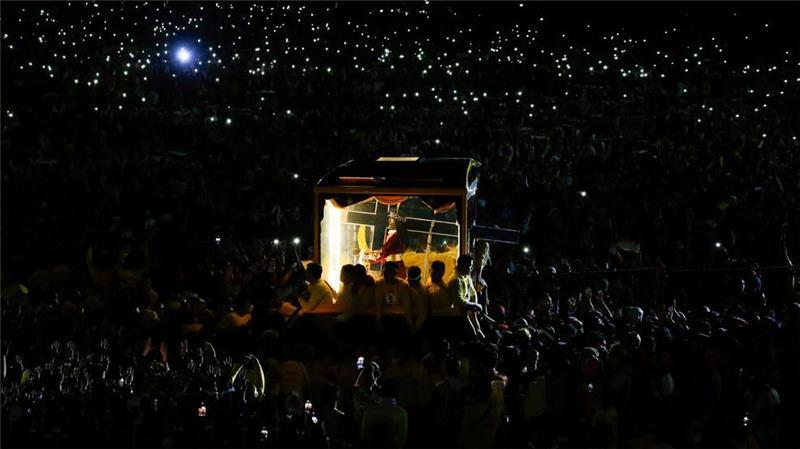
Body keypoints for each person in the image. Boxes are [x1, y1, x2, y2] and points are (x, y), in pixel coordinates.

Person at [360, 378, 409, 449]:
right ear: (397, 392)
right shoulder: (401, 413)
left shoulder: (368, 411)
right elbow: (401, 440)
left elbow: (364, 436)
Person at [449, 255, 485, 339]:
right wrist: (474, 305)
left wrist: (475, 305)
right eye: (470, 266)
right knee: (464, 312)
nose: (471, 268)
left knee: (474, 316)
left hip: (467, 309)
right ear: (462, 265)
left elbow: (473, 292)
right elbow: (459, 301)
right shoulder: (455, 280)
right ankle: (475, 337)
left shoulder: (467, 276)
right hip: (458, 314)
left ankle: (478, 335)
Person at [374, 262, 413, 334]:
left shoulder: (403, 285)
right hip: (385, 317)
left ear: (395, 273)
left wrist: (409, 323)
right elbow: (378, 303)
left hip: (399, 318)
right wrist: (378, 321)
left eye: (390, 272)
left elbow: (407, 305)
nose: (387, 274)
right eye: (385, 271)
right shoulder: (379, 284)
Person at [406, 266, 429, 333]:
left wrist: (415, 328)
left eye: (413, 281)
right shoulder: (409, 285)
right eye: (409, 280)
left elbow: (423, 313)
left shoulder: (421, 293)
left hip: (415, 321)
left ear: (419, 279)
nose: (410, 282)